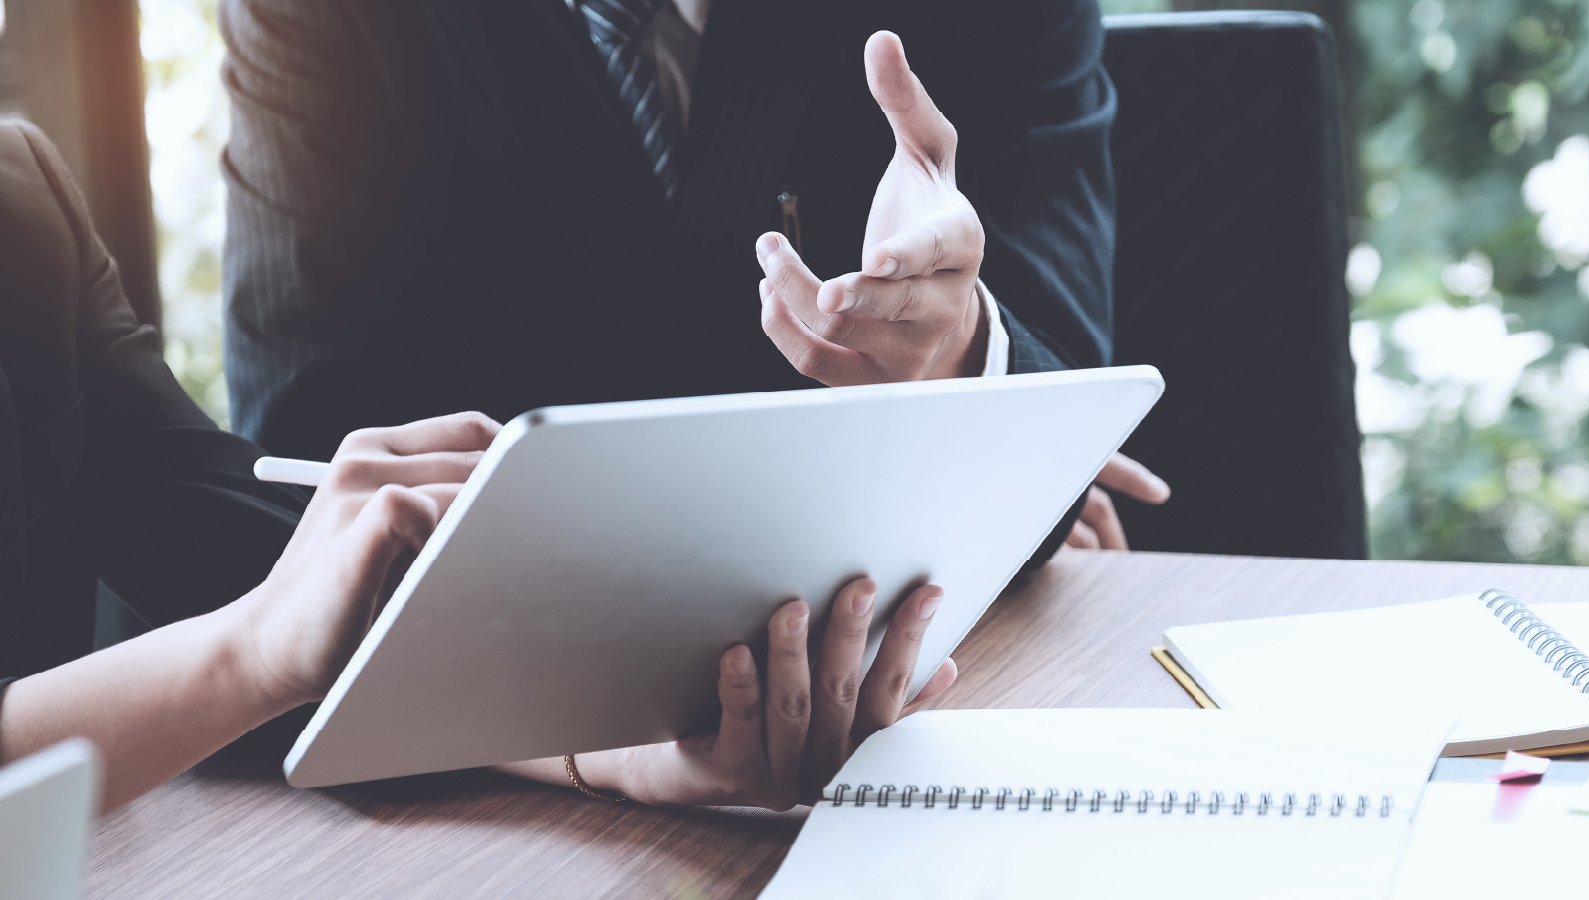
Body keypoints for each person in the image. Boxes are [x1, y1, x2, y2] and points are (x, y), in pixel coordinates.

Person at [0, 120, 954, 812]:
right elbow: (245, 643)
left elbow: (231, 568)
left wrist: (627, 748)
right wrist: (248, 652)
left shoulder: (18, 198)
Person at [219, 1, 1169, 550]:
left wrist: (962, 358)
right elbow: (312, 460)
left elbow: (1060, 402)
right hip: (496, 699)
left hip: (907, 653)